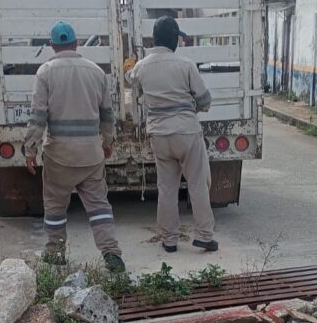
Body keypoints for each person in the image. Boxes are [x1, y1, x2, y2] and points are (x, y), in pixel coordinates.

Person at [23, 21, 125, 272]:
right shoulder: (96, 72)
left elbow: (38, 116)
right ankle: (111, 253)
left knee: (55, 206)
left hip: (59, 155)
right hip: (91, 154)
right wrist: (108, 142)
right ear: (76, 43)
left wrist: (30, 149)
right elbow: (107, 114)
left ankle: (55, 252)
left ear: (51, 45)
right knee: (99, 206)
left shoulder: (45, 72)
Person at [129, 16, 217, 254]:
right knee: (197, 184)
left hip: (159, 134)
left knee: (167, 188)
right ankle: (204, 236)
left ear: (155, 39)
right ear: (174, 39)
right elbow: (205, 100)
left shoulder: (142, 66)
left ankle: (169, 240)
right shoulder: (185, 65)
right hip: (187, 132)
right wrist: (195, 108)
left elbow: (131, 82)